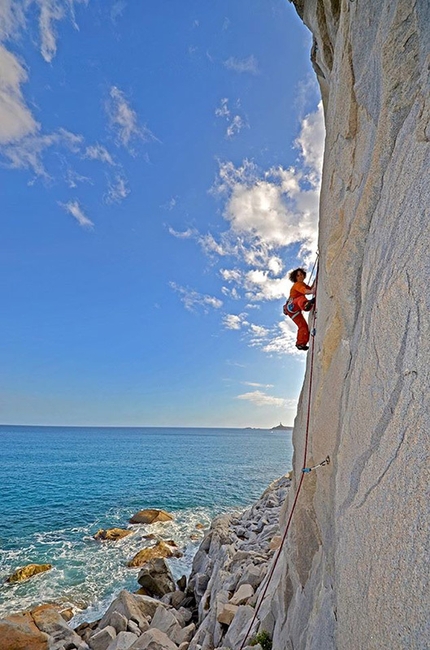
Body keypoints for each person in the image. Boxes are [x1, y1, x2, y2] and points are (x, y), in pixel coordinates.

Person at [283, 268, 315, 351]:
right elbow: (304, 290)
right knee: (300, 298)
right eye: (298, 275)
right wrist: (311, 292)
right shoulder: (297, 284)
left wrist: (314, 285)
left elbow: (310, 288)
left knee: (303, 326)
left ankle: (300, 344)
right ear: (295, 278)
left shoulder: (302, 284)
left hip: (294, 312)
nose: (300, 276)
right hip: (292, 306)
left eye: (301, 274)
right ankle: (305, 305)